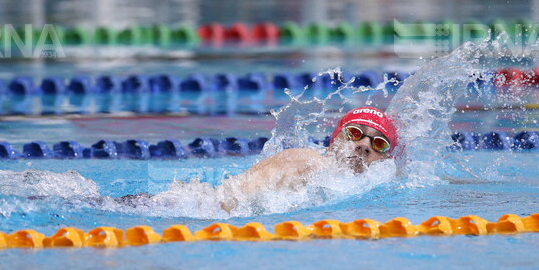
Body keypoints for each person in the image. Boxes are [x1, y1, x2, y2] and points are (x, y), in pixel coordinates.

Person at [115, 106, 399, 212]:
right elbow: (225, 201)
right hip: (181, 210)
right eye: (354, 133)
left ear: (383, 158)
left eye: (378, 143)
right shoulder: (307, 161)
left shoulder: (356, 189)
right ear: (335, 137)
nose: (363, 145)